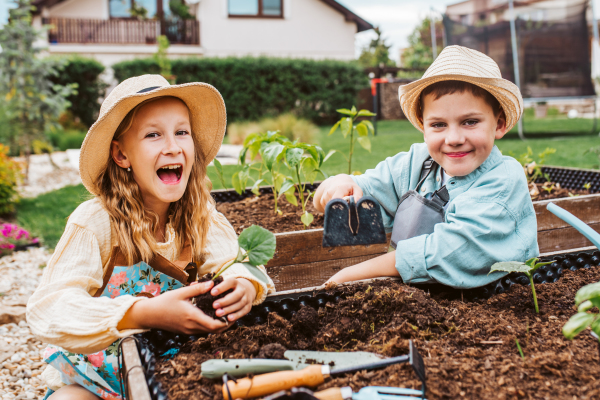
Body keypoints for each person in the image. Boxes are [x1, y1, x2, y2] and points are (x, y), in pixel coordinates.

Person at [26, 75, 275, 400]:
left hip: (174, 374)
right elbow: (50, 306)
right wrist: (140, 313)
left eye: (181, 132)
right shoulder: (98, 222)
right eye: (153, 134)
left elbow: (236, 262)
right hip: (101, 380)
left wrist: (242, 283)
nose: (172, 146)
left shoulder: (201, 215)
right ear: (121, 155)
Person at [314, 45, 539, 288]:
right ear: (423, 126)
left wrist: (345, 276)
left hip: (493, 308)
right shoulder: (418, 163)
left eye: (470, 122)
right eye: (439, 125)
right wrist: (337, 185)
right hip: (419, 304)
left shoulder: (502, 182)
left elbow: (444, 252)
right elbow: (357, 192)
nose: (453, 138)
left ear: (499, 124)